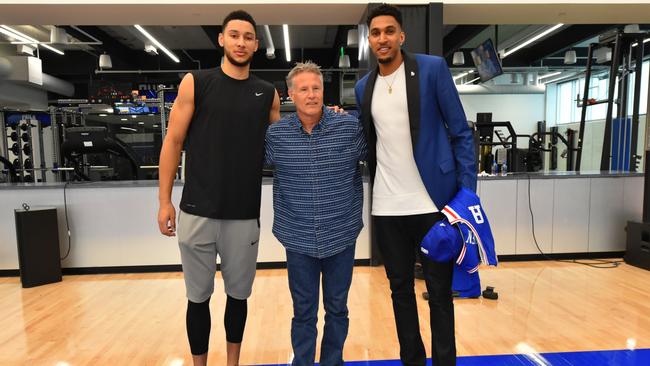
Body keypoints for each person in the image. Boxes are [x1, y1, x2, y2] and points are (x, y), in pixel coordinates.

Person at [354, 4, 477, 366]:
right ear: (369, 40)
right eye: (375, 33)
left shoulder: (431, 69)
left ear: (401, 35)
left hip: (432, 204)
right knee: (399, 293)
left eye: (389, 31)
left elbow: (461, 133)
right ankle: (412, 361)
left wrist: (466, 196)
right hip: (387, 208)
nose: (382, 38)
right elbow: (367, 139)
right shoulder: (364, 88)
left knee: (440, 293)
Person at [156, 10, 280, 366]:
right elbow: (173, 142)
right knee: (197, 298)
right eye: (235, 35)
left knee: (238, 297)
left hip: (243, 215)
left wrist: (327, 120)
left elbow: (286, 143)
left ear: (256, 45)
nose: (241, 42)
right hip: (196, 211)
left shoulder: (267, 94)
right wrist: (164, 201)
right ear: (222, 39)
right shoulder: (196, 82)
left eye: (248, 37)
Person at [265, 61, 366, 366]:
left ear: (324, 91)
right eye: (304, 89)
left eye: (317, 88)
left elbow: (384, 155)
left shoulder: (349, 127)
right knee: (304, 310)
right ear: (291, 95)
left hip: (341, 235)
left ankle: (333, 362)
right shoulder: (276, 136)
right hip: (298, 239)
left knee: (338, 308)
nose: (311, 95)